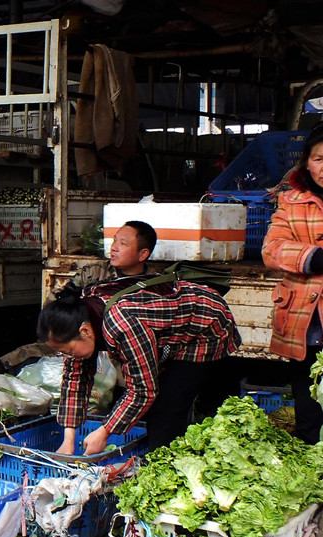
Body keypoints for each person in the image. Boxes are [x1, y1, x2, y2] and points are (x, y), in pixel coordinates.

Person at [40, 278, 240, 454]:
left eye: (67, 351)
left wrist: (104, 432)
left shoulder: (122, 324)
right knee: (158, 397)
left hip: (206, 323)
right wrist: (69, 441)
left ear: (85, 331)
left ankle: (164, 468)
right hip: (167, 329)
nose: (67, 356)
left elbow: (143, 390)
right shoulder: (79, 317)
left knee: (167, 407)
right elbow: (75, 379)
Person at [262, 122, 323, 443]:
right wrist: (312, 257)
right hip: (305, 324)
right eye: (318, 158)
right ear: (306, 162)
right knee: (309, 408)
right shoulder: (291, 201)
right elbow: (272, 249)